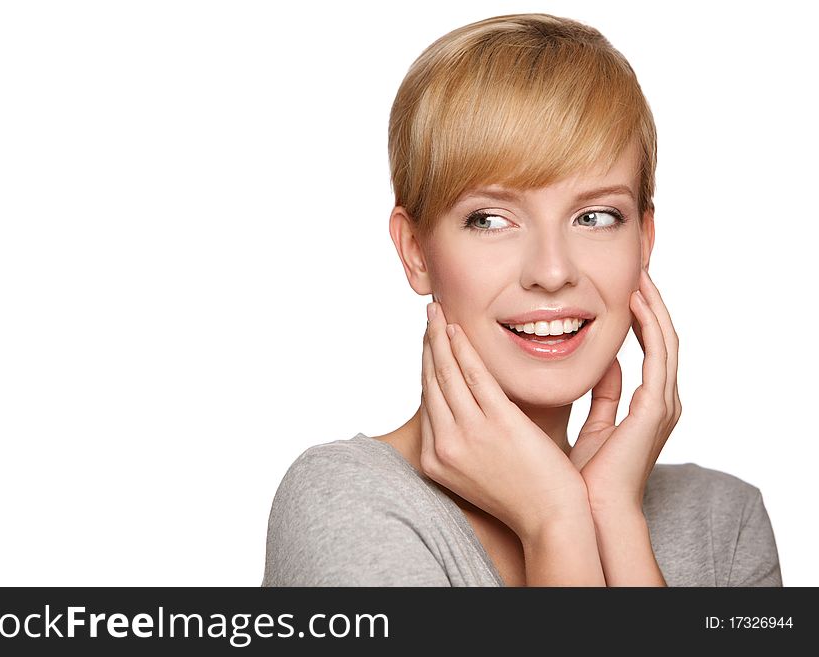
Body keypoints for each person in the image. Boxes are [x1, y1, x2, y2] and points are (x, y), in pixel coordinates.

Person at [261, 13, 782, 586]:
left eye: (596, 216)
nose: (552, 271)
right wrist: (555, 521)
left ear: (644, 240)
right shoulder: (347, 498)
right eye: (490, 219)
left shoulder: (723, 522)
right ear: (415, 251)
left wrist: (613, 516)